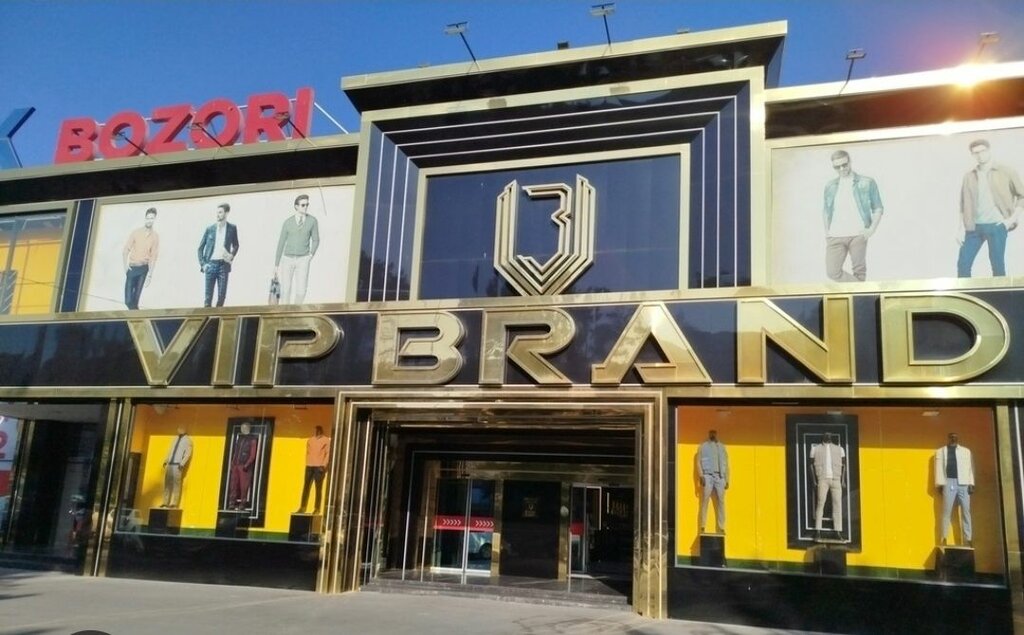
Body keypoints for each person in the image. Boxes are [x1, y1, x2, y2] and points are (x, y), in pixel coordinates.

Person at [956, 139, 1024, 278]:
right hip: (973, 228)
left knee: (997, 266)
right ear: (972, 155)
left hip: (997, 226)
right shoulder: (969, 176)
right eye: (976, 153)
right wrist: (960, 229)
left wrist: (1011, 220)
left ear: (989, 150)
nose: (980, 155)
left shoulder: (1006, 171)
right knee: (963, 264)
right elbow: (963, 204)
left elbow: (1022, 196)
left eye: (982, 151)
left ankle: (1000, 293)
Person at [822, 150, 884, 282]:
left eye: (844, 165)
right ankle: (863, 289)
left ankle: (860, 292)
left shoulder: (867, 182)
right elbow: (826, 211)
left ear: (850, 161)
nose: (841, 169)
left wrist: (871, 229)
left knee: (859, 273)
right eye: (837, 167)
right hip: (835, 235)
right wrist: (827, 232)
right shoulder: (830, 186)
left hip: (858, 234)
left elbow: (878, 207)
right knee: (832, 272)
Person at [274, 194, 320, 305]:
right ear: (296, 206)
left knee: (301, 290)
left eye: (307, 205)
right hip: (287, 259)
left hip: (303, 259)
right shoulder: (288, 222)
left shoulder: (312, 221)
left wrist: (310, 256)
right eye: (303, 205)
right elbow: (281, 242)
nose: (305, 207)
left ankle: (295, 310)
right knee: (286, 290)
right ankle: (285, 312)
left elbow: (316, 240)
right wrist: (276, 264)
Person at [934, 432, 975, 546]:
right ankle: (943, 537)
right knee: (946, 511)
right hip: (948, 482)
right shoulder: (941, 451)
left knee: (966, 511)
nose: (953, 438)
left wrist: (971, 483)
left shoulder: (966, 451)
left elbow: (970, 467)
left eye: (955, 437)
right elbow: (938, 468)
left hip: (964, 482)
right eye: (951, 437)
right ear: (948, 438)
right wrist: (939, 484)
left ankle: (968, 538)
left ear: (957, 438)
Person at [197, 203, 240, 307]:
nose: (217, 215)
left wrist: (231, 255)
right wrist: (203, 264)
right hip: (210, 265)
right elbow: (200, 248)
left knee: (221, 297)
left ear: (226, 213)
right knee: (208, 298)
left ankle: (217, 316)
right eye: (217, 212)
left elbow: (236, 245)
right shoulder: (210, 229)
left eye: (220, 212)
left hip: (223, 266)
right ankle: (207, 316)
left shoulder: (232, 228)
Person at [122, 207, 159, 309]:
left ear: (154, 219)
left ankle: (135, 314)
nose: (149, 220)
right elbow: (125, 250)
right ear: (145, 218)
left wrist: (150, 275)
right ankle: (136, 314)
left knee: (135, 300)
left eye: (152, 218)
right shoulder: (136, 233)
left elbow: (153, 257)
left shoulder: (155, 236)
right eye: (148, 218)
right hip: (132, 267)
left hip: (143, 269)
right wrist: (125, 266)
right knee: (128, 300)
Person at [810, 432, 846, 539]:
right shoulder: (815, 449)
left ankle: (838, 531)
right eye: (826, 435)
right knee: (820, 503)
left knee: (837, 504)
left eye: (829, 435)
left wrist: (843, 480)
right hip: (822, 479)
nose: (828, 437)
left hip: (836, 479)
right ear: (823, 437)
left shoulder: (840, 449)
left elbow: (844, 466)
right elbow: (811, 466)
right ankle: (818, 530)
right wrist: (814, 480)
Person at [697, 429, 729, 533]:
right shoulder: (703, 446)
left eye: (714, 433)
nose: (712, 435)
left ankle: (721, 527)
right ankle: (702, 526)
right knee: (705, 500)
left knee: (721, 502)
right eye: (711, 433)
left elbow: (726, 464)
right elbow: (698, 462)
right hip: (708, 476)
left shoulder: (722, 447)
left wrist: (727, 479)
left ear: (716, 434)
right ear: (708, 434)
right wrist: (701, 475)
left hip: (720, 476)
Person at [296, 425, 330, 514]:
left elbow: (328, 453)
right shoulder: (310, 440)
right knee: (306, 487)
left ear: (321, 431)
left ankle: (317, 508)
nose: (317, 432)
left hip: (319, 467)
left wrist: (323, 465)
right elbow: (308, 452)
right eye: (316, 430)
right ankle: (302, 507)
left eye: (318, 430)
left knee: (318, 488)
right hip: (309, 466)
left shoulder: (326, 440)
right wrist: (307, 462)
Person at [226, 423, 259, 510]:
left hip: (244, 466)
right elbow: (236, 452)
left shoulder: (253, 440)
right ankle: (232, 502)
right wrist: (233, 463)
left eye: (244, 428)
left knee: (244, 486)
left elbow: (252, 455)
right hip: (236, 464)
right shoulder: (240, 438)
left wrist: (246, 465)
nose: (243, 429)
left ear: (248, 428)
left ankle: (242, 503)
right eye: (242, 428)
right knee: (233, 484)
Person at [162, 427, 192, 508]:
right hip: (170, 464)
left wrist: (182, 463)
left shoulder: (187, 440)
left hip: (177, 465)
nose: (178, 430)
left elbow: (188, 454)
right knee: (167, 484)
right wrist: (166, 460)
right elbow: (171, 451)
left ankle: (174, 503)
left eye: (180, 429)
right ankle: (165, 502)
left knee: (176, 484)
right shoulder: (175, 439)